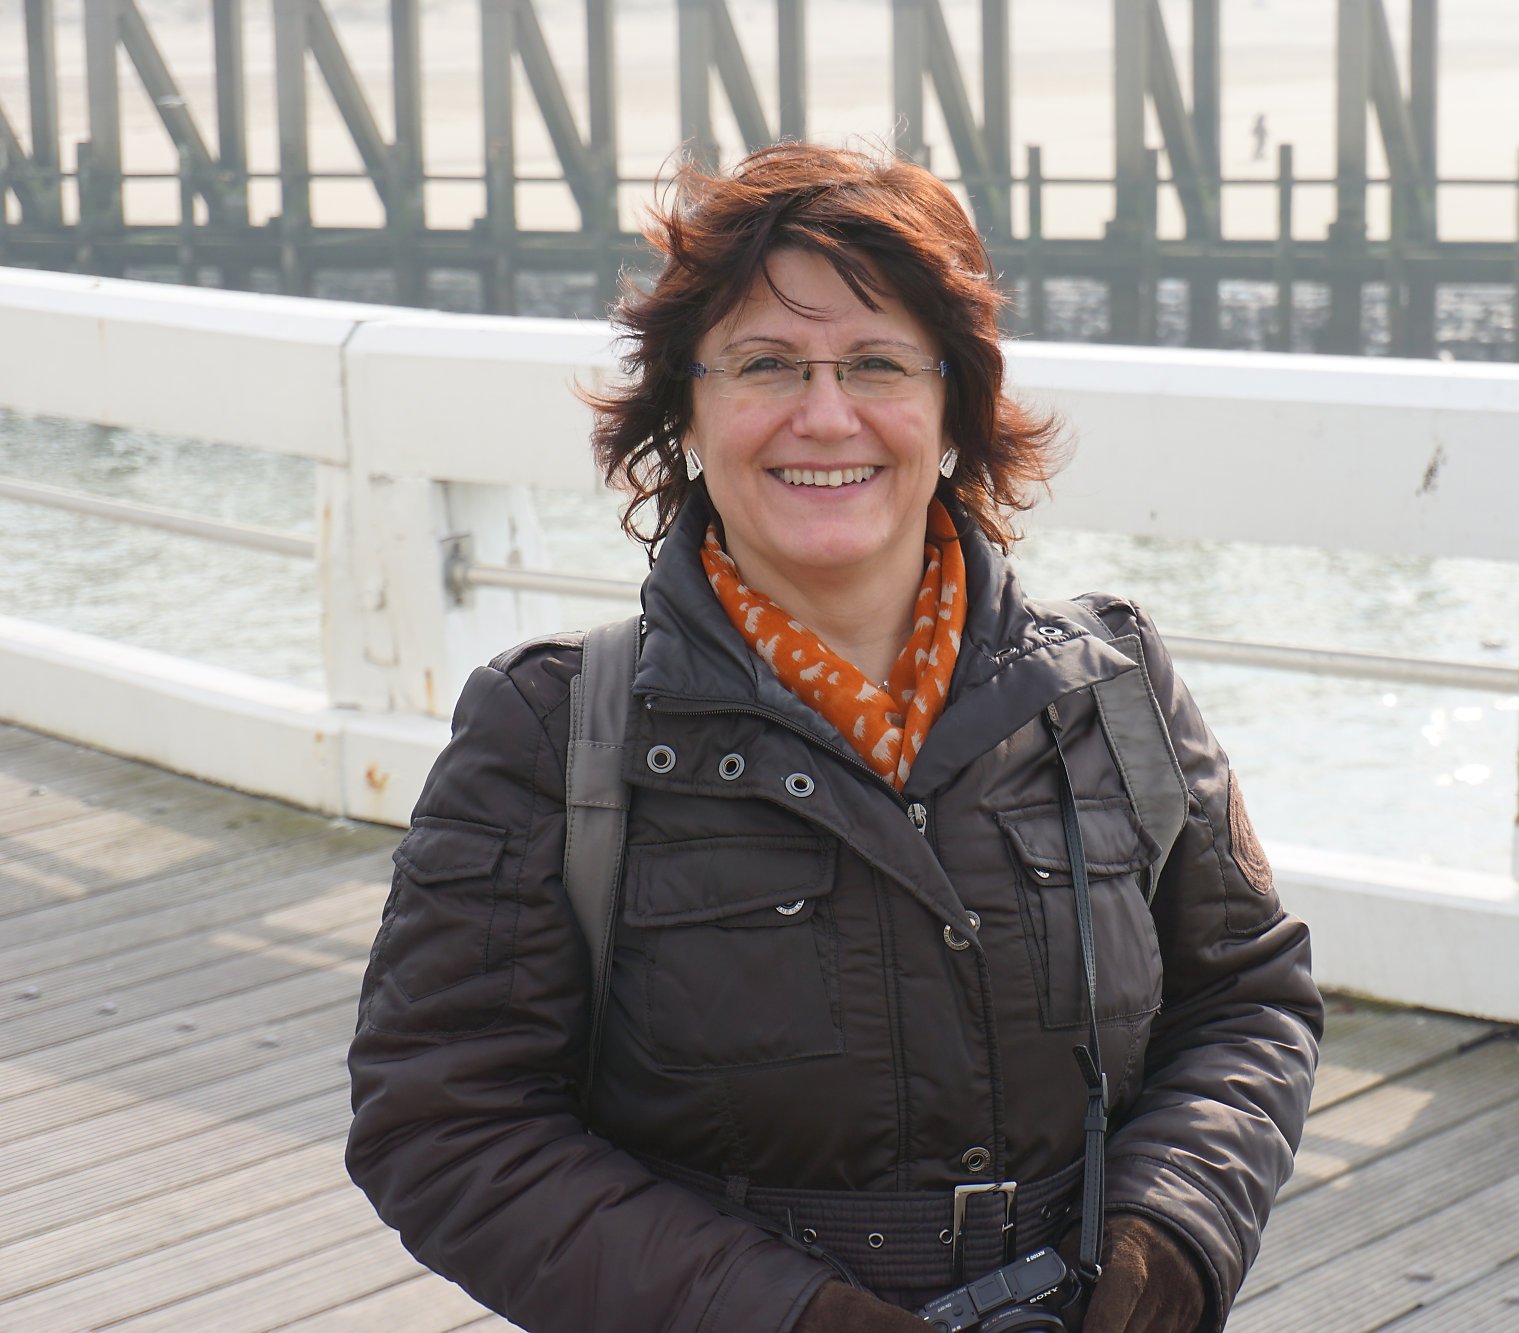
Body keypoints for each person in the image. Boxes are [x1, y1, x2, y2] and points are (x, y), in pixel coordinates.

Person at [347, 143, 1322, 1333]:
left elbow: (1245, 1000)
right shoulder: (554, 730)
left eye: (876, 363)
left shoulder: (1108, 687)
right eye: (765, 364)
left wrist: (1166, 1241)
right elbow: (442, 1121)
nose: (824, 415)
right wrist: (786, 1317)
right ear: (684, 409)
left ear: (954, 405)